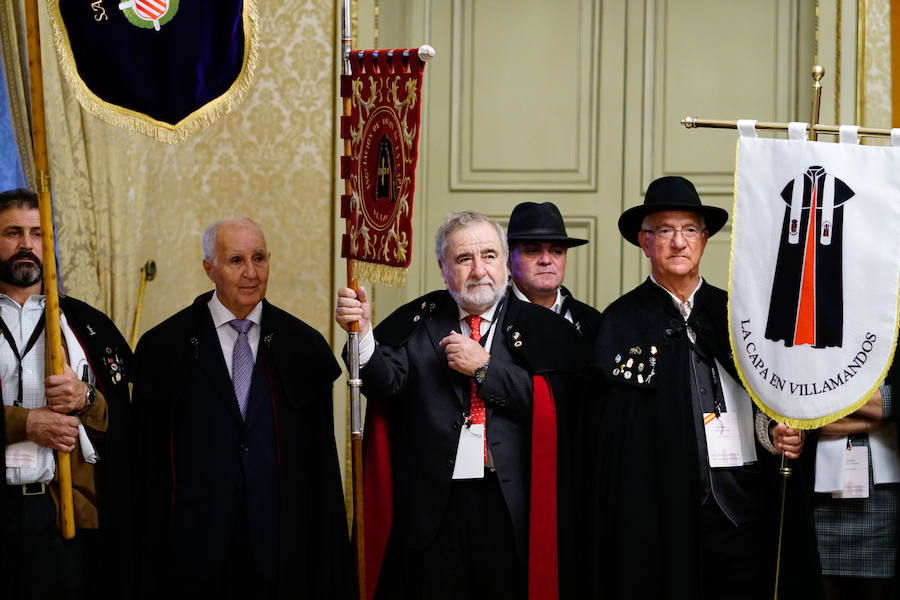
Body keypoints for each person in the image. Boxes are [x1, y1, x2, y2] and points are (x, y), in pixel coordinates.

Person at [584, 176, 821, 599]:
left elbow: (769, 397)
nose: (678, 241)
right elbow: (614, 441)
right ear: (645, 242)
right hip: (663, 519)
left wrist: (778, 435)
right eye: (665, 230)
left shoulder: (738, 316)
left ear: (705, 239)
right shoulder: (620, 323)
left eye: (689, 229)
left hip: (746, 513)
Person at [335, 210, 580, 599]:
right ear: (443, 267)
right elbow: (384, 383)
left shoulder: (545, 327)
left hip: (512, 505)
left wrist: (484, 368)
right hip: (434, 508)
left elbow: (557, 410)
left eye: (488, 255)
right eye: (464, 259)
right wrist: (363, 333)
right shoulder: (418, 319)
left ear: (505, 262)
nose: (479, 270)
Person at [132, 217, 351, 599]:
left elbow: (321, 472)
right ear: (209, 268)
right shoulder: (164, 346)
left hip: (280, 550)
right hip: (190, 551)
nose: (251, 273)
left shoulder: (303, 347)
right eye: (236, 260)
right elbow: (144, 471)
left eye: (260, 258)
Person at [0, 188, 133, 600]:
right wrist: (27, 423)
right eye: (13, 232)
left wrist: (86, 399)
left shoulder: (85, 324)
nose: (27, 244)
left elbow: (124, 415)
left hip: (63, 515)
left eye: (38, 233)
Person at [812, 376, 898, 600]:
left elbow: (893, 402)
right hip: (820, 505)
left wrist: (831, 401)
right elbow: (807, 416)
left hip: (884, 505)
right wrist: (873, 419)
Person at [506, 201, 602, 341]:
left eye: (556, 251)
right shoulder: (488, 314)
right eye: (533, 251)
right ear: (508, 259)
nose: (546, 260)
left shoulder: (593, 322)